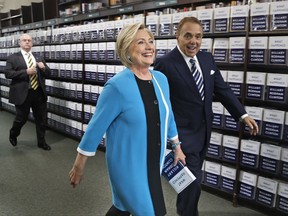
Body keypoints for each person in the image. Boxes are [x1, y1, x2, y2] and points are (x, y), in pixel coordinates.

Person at [69, 23, 186, 216]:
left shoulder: (161, 79)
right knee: (151, 211)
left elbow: (168, 114)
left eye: (151, 41)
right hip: (128, 166)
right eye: (141, 42)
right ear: (126, 50)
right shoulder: (116, 87)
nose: (149, 47)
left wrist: (177, 147)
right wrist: (78, 166)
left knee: (124, 208)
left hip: (153, 160)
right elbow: (95, 128)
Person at [153, 17, 259, 216]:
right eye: (188, 36)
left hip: (203, 134)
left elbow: (222, 89)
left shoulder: (206, 59)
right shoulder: (165, 63)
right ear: (178, 37)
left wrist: (242, 114)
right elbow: (158, 102)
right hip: (182, 138)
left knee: (188, 184)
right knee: (192, 185)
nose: (194, 41)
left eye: (198, 36)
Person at [5, 33, 51, 151]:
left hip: (38, 92)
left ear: (32, 43)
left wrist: (43, 68)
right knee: (22, 118)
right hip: (22, 93)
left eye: (29, 40)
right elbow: (8, 74)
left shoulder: (38, 58)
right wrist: (25, 72)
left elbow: (49, 74)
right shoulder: (13, 58)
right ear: (20, 43)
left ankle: (42, 142)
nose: (27, 42)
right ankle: (13, 133)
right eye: (24, 40)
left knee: (41, 119)